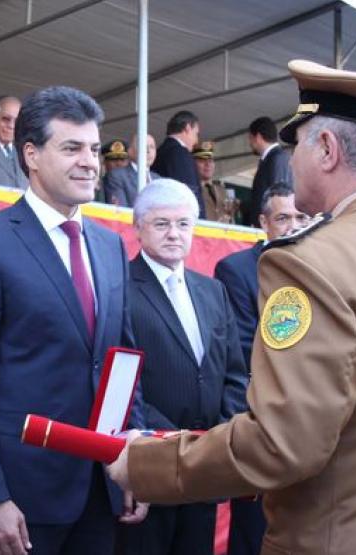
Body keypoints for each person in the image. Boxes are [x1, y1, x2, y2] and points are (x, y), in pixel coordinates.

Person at [108, 59, 356, 555]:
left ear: (328, 150)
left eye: (297, 145)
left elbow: (280, 445)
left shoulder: (311, 263)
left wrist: (144, 465)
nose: (290, 161)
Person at [0, 86, 146, 555]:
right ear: (30, 155)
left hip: (103, 488)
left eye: (94, 149)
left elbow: (122, 363)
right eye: (71, 148)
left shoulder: (110, 246)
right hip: (24, 496)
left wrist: (134, 462)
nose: (90, 162)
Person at [117, 178, 248, 555]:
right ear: (138, 228)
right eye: (161, 224)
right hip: (150, 467)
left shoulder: (212, 290)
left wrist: (217, 440)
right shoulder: (119, 287)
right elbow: (124, 381)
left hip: (205, 471)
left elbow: (234, 373)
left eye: (184, 224)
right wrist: (176, 444)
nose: (174, 234)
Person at [213, 182, 309, 555]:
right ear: (263, 222)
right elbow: (245, 347)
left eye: (301, 216)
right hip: (260, 420)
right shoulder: (236, 270)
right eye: (283, 217)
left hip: (310, 426)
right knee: (253, 537)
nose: (293, 225)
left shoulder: (317, 267)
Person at [151, 110, 205, 217]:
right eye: (196, 134)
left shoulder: (161, 151)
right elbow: (189, 193)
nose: (196, 141)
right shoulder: (180, 152)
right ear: (187, 128)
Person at [246, 116, 292, 227]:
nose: (250, 143)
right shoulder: (271, 158)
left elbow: (279, 197)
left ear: (257, 137)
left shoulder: (277, 158)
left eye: (250, 138)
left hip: (272, 230)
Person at [103, 134, 159, 207]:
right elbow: (121, 212)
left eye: (152, 147)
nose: (148, 151)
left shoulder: (159, 180)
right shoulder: (117, 176)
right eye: (143, 146)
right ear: (130, 151)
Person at [193, 141, 236, 222]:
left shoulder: (222, 190)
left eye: (210, 160)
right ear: (194, 163)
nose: (207, 164)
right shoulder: (192, 191)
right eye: (202, 160)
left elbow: (230, 219)